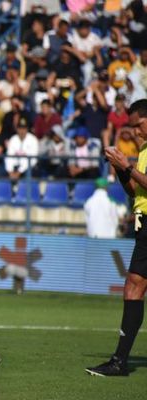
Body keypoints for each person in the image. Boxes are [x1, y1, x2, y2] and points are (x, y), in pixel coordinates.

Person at [86, 99, 147, 376]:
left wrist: (129, 166)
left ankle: (120, 361)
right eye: (132, 127)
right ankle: (120, 361)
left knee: (134, 285)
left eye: (138, 125)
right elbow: (136, 192)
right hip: (143, 223)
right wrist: (121, 169)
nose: (135, 132)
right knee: (133, 285)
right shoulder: (145, 150)